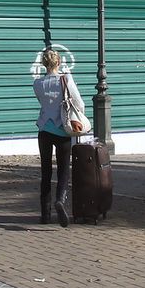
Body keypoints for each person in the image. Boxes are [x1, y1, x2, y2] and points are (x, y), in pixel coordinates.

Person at [33, 48, 86, 226]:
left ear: (43, 64)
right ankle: (60, 201)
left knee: (46, 172)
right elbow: (79, 103)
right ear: (59, 62)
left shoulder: (37, 83)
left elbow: (42, 102)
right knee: (63, 171)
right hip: (62, 130)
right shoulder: (66, 79)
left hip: (44, 130)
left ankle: (45, 215)